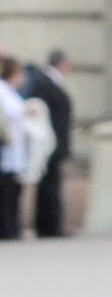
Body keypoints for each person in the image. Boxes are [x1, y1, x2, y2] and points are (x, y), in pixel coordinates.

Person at [19, 50, 73, 238]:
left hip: (53, 143)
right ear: (61, 64)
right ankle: (49, 227)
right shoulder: (45, 82)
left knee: (51, 185)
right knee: (48, 186)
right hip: (48, 143)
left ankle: (51, 225)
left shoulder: (51, 82)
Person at [0, 55, 25, 242]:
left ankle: (12, 228)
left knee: (13, 192)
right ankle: (8, 230)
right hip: (7, 148)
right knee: (6, 194)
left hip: (15, 148)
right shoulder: (3, 90)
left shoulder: (11, 91)